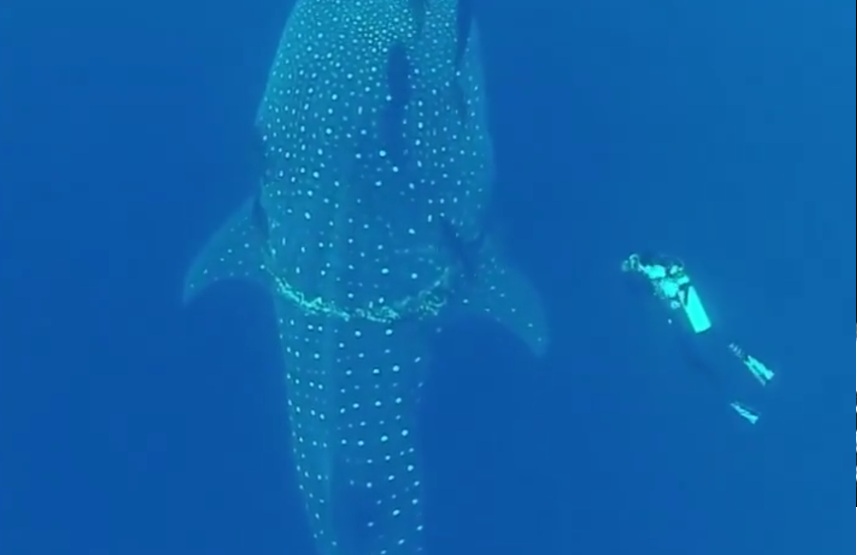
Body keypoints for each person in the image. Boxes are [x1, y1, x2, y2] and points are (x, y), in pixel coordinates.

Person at [621, 252, 775, 424]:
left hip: (696, 320)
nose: (640, 269)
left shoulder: (662, 270)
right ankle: (744, 392)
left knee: (721, 347)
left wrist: (664, 278)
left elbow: (674, 274)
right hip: (688, 326)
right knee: (707, 359)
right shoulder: (654, 279)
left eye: (637, 264)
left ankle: (756, 373)